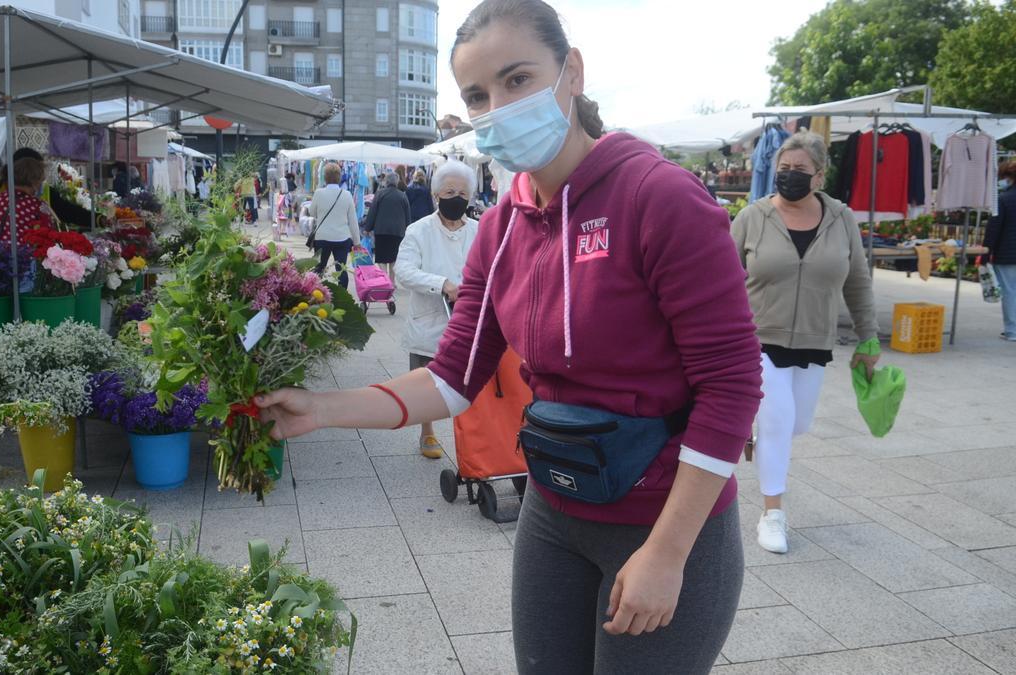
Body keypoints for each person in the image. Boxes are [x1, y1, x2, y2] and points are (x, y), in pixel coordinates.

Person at [254, 1, 762, 672]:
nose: (497, 106)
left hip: (667, 519)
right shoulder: (501, 229)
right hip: (553, 509)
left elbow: (731, 385)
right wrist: (322, 409)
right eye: (476, 95)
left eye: (517, 79)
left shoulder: (659, 198)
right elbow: (451, 375)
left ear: (571, 73)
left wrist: (668, 553)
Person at [731, 131, 879, 554]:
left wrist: (869, 338)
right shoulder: (753, 216)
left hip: (815, 340)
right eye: (783, 169)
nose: (789, 176)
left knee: (797, 423)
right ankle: (772, 513)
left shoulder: (841, 218)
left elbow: (858, 280)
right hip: (758, 338)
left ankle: (754, 433)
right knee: (778, 419)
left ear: (819, 175)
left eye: (799, 170)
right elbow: (720, 273)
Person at [395, 160, 479, 460]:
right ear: (436, 195)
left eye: (462, 192)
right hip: (429, 319)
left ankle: (473, 435)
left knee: (472, 380)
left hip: (469, 320)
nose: (456, 196)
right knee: (426, 381)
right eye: (449, 191)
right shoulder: (418, 230)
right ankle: (427, 431)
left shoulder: (479, 231)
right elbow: (403, 273)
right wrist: (442, 283)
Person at [0, 148, 92, 230]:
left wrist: (98, 219)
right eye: (38, 175)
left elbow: (68, 211)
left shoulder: (46, 191)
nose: (40, 180)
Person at [310, 162, 359, 288]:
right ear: (339, 177)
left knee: (319, 268)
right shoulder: (347, 195)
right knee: (341, 269)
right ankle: (342, 296)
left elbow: (312, 212)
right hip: (341, 238)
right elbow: (353, 221)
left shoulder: (319, 193)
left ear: (325, 177)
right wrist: (357, 242)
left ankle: (316, 294)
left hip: (322, 237)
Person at [0, 156, 52, 245]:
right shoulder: (37, 206)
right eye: (41, 180)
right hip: (23, 256)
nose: (42, 184)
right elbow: (49, 235)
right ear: (34, 181)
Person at [983, 161, 1016, 341]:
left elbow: (993, 228)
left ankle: (1012, 330)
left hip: (1007, 253)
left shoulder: (1002, 199)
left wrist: (986, 252)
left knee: (1010, 291)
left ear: (1008, 178)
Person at [363, 171, 412, 282]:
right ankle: (392, 281)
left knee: (382, 258)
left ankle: (385, 280)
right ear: (397, 182)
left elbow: (373, 212)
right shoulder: (402, 196)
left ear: (386, 181)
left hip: (381, 230)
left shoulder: (380, 194)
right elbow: (408, 215)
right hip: (397, 232)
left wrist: (367, 228)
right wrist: (409, 230)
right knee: (394, 258)